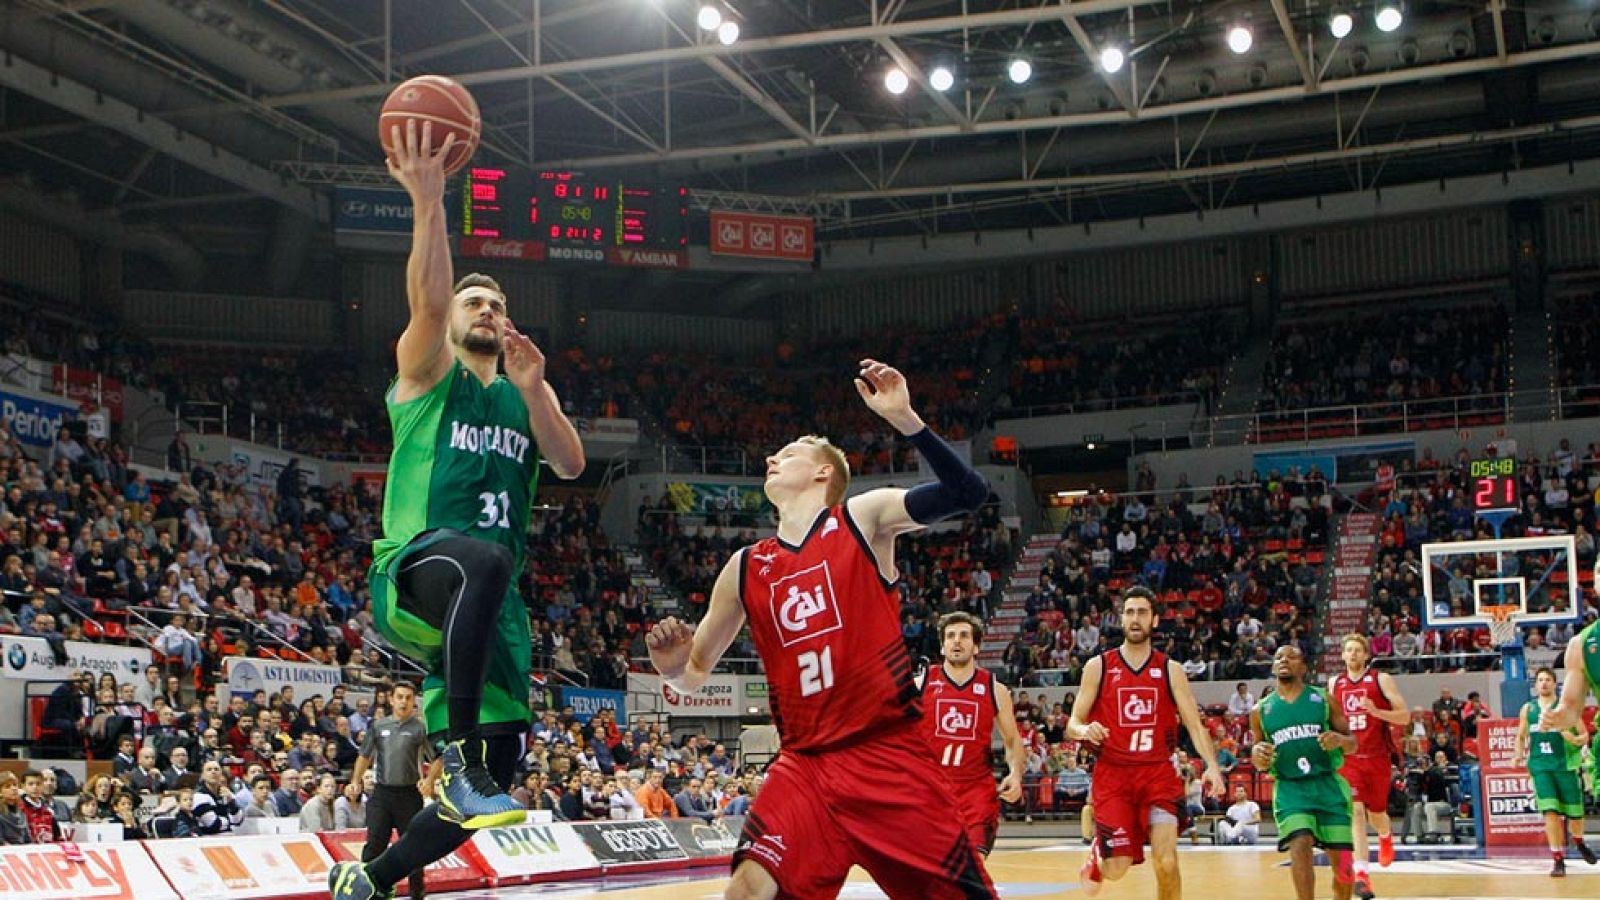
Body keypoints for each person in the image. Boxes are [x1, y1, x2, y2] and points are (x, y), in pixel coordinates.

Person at [329, 120, 584, 900]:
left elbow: (571, 463)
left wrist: (537, 387)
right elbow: (430, 298)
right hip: (414, 572)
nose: (485, 308)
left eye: (497, 303)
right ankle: (462, 760)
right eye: (477, 299)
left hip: (490, 607)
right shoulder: (425, 374)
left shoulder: (520, 395)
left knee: (499, 783)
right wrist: (430, 204)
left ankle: (371, 878)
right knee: (481, 557)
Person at [645, 359, 997, 900]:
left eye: (786, 454)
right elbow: (694, 677)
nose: (770, 458)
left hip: (886, 756)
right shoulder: (744, 567)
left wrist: (907, 421)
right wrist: (671, 669)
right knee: (746, 890)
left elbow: (968, 492)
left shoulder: (863, 518)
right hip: (804, 766)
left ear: (823, 472)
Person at [1067, 586, 1225, 898]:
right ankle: (1100, 853)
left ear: (1154, 620)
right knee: (1117, 868)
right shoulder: (1098, 666)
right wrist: (1085, 731)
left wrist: (1212, 766)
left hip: (1157, 774)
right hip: (1114, 775)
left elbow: (1194, 724)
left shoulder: (1170, 669)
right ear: (1121, 619)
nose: (1135, 619)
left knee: (1166, 863)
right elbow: (1072, 723)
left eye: (1142, 612)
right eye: (1129, 612)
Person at [1251, 645, 1358, 900]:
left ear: (1304, 667)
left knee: (1344, 870)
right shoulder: (1260, 710)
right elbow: (1258, 760)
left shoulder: (1323, 699)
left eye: (1292, 656)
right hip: (1291, 789)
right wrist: (1257, 755)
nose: (1283, 660)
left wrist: (1339, 741)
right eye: (1278, 657)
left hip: (1328, 787)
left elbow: (1353, 743)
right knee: (1300, 845)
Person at [918, 611, 1025, 855]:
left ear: (976, 647)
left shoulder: (995, 690)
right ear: (943, 647)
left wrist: (1016, 774)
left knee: (971, 869)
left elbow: (1012, 741)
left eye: (964, 636)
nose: (957, 641)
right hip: (930, 791)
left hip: (976, 792)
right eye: (951, 636)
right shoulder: (920, 684)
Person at [1329, 633, 1409, 899]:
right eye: (1348, 650)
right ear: (1342, 655)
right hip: (1348, 758)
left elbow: (1404, 716)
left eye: (1357, 650)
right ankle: (1362, 875)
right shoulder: (1334, 684)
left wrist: (1377, 712)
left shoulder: (1380, 680)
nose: (1352, 654)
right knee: (1356, 813)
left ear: (1365, 655)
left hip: (1377, 758)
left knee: (1377, 814)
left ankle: (1385, 835)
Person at [351, 681, 434, 900]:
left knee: (414, 847)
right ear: (391, 699)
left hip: (409, 795)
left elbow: (436, 758)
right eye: (400, 696)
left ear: (414, 701)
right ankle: (365, 890)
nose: (404, 701)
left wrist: (430, 780)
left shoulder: (420, 728)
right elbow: (364, 755)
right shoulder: (378, 726)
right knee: (374, 844)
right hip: (382, 794)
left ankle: (418, 892)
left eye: (408, 697)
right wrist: (355, 780)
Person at [1515, 667, 1597, 877]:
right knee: (1550, 813)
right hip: (1541, 767)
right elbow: (1521, 736)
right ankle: (1557, 860)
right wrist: (1518, 755)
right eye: (1540, 680)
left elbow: (1584, 736)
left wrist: (1575, 740)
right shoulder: (1528, 709)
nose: (1543, 683)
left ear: (1554, 684)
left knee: (1575, 815)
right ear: (1535, 685)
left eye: (1548, 680)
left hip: (1565, 766)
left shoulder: (1564, 708)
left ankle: (1578, 842)